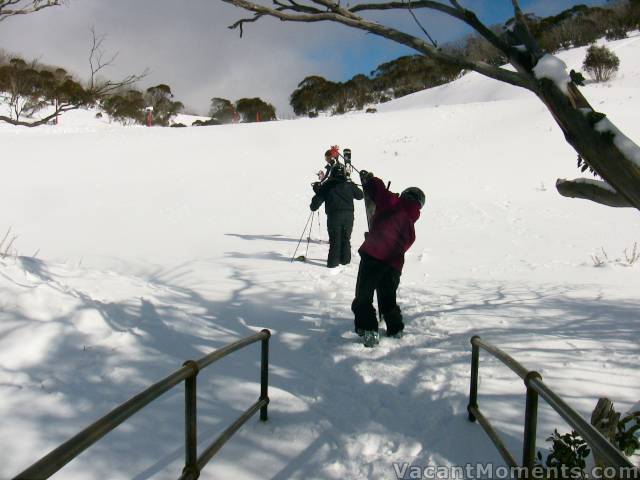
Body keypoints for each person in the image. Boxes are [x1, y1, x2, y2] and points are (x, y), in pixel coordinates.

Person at [351, 170, 425, 348]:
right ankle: (395, 328)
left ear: (406, 194)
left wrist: (370, 178)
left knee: (363, 295)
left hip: (374, 255)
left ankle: (368, 329)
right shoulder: (411, 228)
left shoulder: (393, 202)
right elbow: (403, 245)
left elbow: (377, 189)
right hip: (394, 265)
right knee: (387, 299)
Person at [310, 164, 364, 268]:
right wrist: (352, 184)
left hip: (334, 216)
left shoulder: (327, 185)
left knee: (335, 240)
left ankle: (333, 264)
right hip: (348, 216)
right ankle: (345, 262)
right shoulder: (348, 184)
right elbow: (360, 195)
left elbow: (315, 203)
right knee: (346, 239)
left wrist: (317, 192)